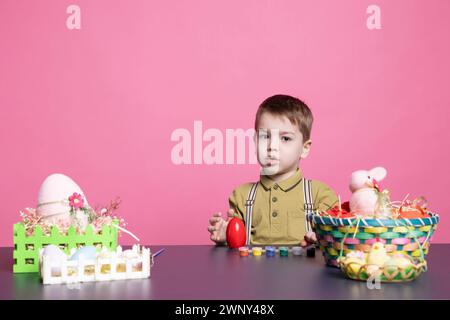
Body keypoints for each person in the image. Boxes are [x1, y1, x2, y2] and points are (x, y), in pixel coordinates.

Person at [208, 94, 338, 246]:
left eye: (285, 139)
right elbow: (237, 248)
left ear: (304, 148)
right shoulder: (242, 196)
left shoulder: (320, 196)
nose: (272, 146)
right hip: (254, 270)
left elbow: (338, 241)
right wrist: (227, 236)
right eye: (265, 137)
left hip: (304, 270)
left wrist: (325, 239)